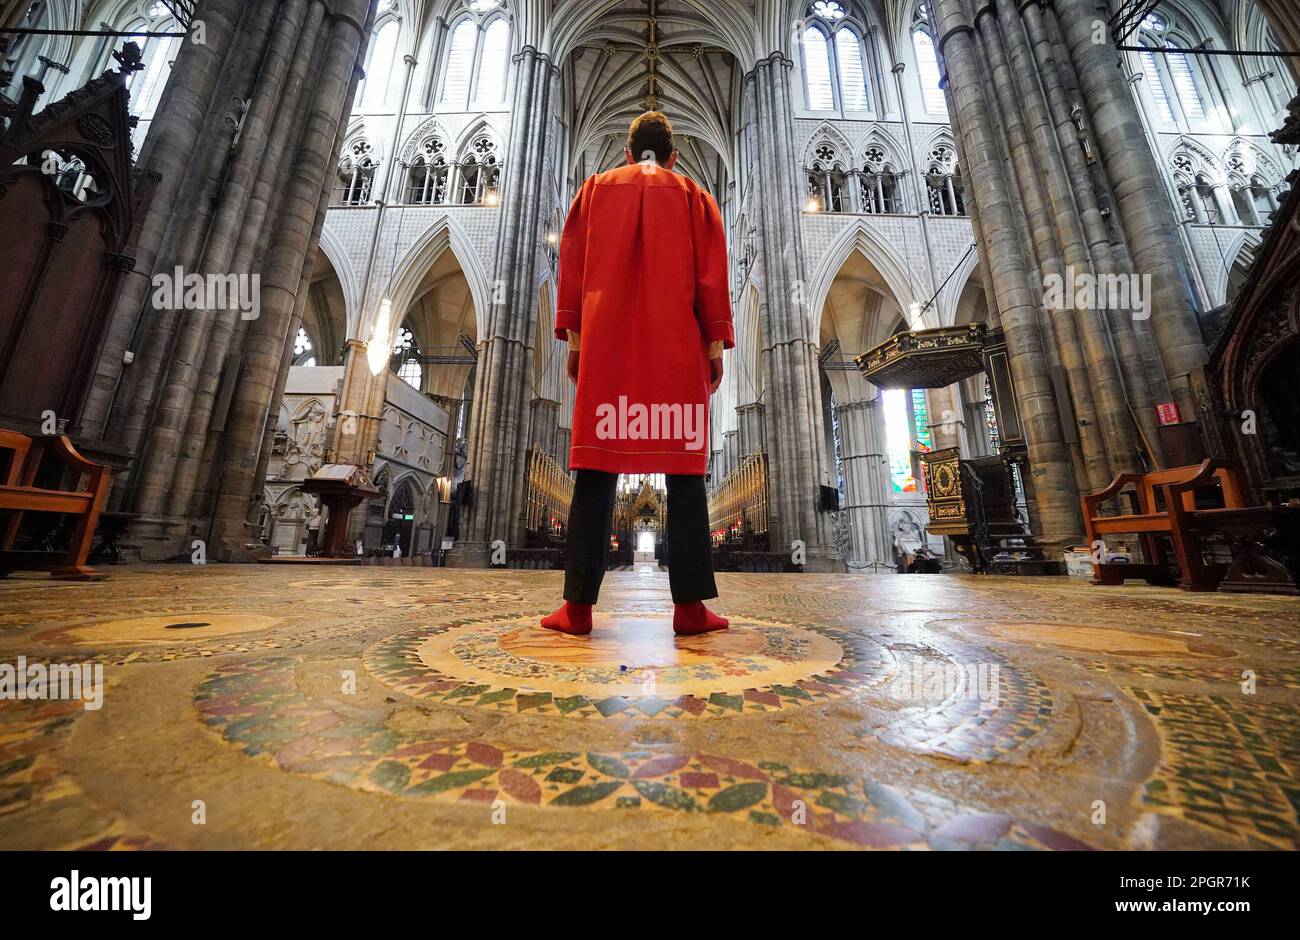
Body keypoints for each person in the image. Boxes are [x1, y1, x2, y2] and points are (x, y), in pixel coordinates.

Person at [541, 111, 734, 637]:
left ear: (628, 153)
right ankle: (690, 609)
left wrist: (576, 341)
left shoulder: (595, 190)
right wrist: (714, 347)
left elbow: (573, 271)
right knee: (686, 474)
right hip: (676, 349)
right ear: (673, 156)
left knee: (596, 470)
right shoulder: (697, 197)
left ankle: (576, 610)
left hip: (609, 347)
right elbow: (712, 278)